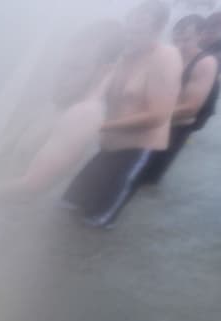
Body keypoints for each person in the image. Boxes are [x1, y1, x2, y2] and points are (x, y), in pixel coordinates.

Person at [0, 20, 125, 205]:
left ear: (104, 70)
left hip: (5, 230)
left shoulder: (83, 116)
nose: (62, 76)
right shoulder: (67, 97)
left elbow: (31, 186)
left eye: (75, 69)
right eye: (63, 65)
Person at [62, 0, 183, 228]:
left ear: (157, 29)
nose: (131, 33)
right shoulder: (125, 53)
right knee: (69, 202)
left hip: (138, 148)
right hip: (110, 143)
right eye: (130, 24)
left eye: (139, 29)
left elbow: (159, 115)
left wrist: (100, 126)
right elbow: (96, 89)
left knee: (96, 221)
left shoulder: (166, 57)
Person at [139, 14, 221, 185]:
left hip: (176, 127)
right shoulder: (166, 54)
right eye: (176, 38)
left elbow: (191, 107)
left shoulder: (205, 63)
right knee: (127, 173)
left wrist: (149, 116)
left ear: (200, 36)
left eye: (186, 40)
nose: (179, 45)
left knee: (147, 179)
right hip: (150, 122)